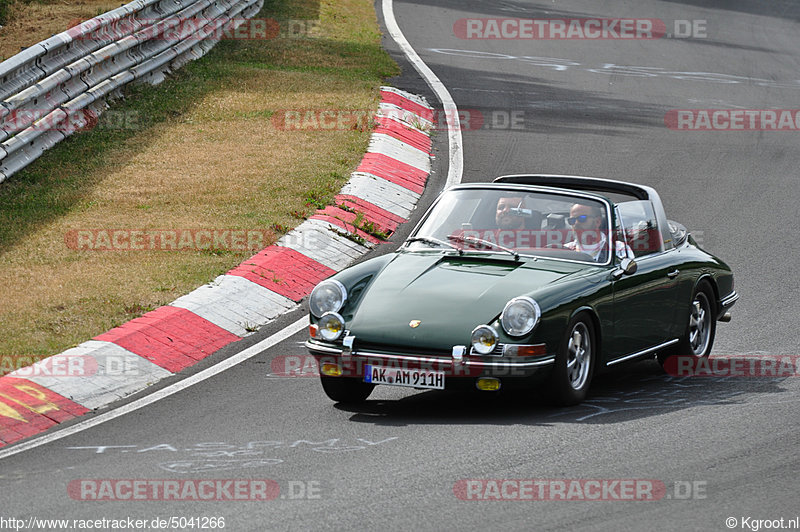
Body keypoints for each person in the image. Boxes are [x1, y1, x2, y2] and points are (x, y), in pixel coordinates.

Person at [565, 203, 632, 262]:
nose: (576, 223)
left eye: (582, 218)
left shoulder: (618, 249)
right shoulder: (566, 250)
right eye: (572, 220)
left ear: (598, 221)